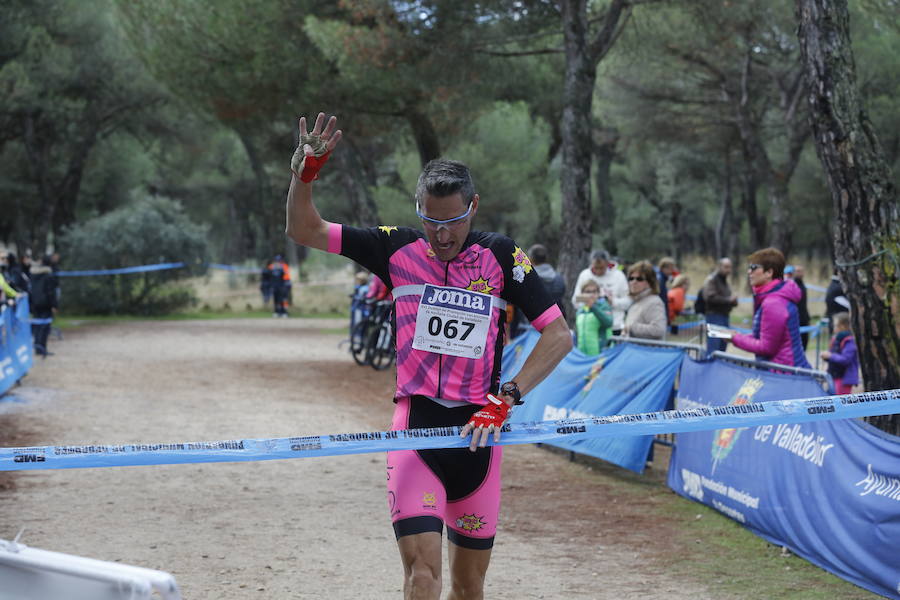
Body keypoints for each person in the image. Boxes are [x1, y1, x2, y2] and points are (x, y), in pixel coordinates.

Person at [285, 112, 572, 600]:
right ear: (418, 209)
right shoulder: (394, 247)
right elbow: (304, 229)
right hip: (416, 430)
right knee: (423, 579)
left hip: (480, 436)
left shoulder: (502, 256)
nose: (441, 235)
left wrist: (508, 397)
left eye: (453, 222)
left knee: (467, 588)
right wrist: (304, 176)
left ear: (474, 207)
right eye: (431, 221)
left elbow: (558, 335)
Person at [730, 247, 811, 368]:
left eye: (753, 268)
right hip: (782, 372)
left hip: (783, 375)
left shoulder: (773, 303)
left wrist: (735, 339)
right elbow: (766, 337)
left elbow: (767, 348)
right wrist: (736, 336)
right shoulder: (772, 297)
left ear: (769, 273)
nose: (749, 272)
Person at [571, 249, 631, 335]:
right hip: (589, 326)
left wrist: (613, 301)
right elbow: (575, 301)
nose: (598, 271)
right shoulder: (585, 275)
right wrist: (588, 301)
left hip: (614, 326)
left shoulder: (618, 276)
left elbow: (628, 302)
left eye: (601, 268)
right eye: (596, 268)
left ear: (607, 263)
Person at [702, 258, 739, 355]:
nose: (728, 270)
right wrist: (728, 300)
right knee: (714, 348)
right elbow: (709, 298)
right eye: (726, 267)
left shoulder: (725, 282)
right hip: (714, 317)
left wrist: (733, 301)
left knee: (722, 347)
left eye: (730, 267)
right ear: (719, 267)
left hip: (724, 317)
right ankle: (709, 369)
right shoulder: (712, 280)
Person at [623, 260, 666, 340]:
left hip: (647, 351)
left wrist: (631, 327)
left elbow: (659, 330)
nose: (634, 282)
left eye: (639, 279)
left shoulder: (654, 302)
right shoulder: (636, 301)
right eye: (631, 278)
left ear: (650, 282)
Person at [820, 312, 859, 395]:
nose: (833, 327)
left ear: (842, 326)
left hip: (844, 378)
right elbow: (834, 356)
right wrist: (827, 357)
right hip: (835, 376)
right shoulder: (836, 339)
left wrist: (830, 356)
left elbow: (845, 359)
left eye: (835, 325)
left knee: (841, 401)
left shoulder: (849, 341)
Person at [29, 255, 58, 357]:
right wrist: (54, 305)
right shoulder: (48, 276)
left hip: (35, 304)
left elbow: (31, 290)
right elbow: (51, 292)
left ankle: (38, 347)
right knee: (44, 327)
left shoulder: (33, 275)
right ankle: (42, 348)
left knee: (37, 326)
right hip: (45, 304)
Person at [574, 280, 613, 355]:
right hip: (583, 354)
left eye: (594, 292)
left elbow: (608, 322)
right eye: (588, 292)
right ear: (582, 294)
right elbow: (577, 333)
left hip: (601, 353)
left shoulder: (604, 306)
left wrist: (593, 307)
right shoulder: (580, 310)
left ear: (598, 294)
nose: (591, 295)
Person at [786, 265, 811, 349]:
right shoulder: (792, 285)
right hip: (795, 318)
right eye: (797, 271)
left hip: (804, 317)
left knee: (805, 342)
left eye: (801, 271)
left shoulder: (802, 284)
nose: (799, 273)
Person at [655, 257, 676, 323]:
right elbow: (660, 298)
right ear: (664, 268)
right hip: (659, 314)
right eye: (671, 269)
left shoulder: (662, 279)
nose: (672, 271)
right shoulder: (660, 280)